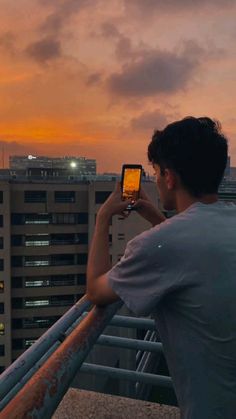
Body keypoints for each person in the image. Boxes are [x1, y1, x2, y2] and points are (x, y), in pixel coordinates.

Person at [86, 116, 236, 419]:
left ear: (169, 177)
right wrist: (159, 219)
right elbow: (196, 247)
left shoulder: (160, 244)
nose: (154, 179)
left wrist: (103, 220)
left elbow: (96, 290)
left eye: (156, 172)